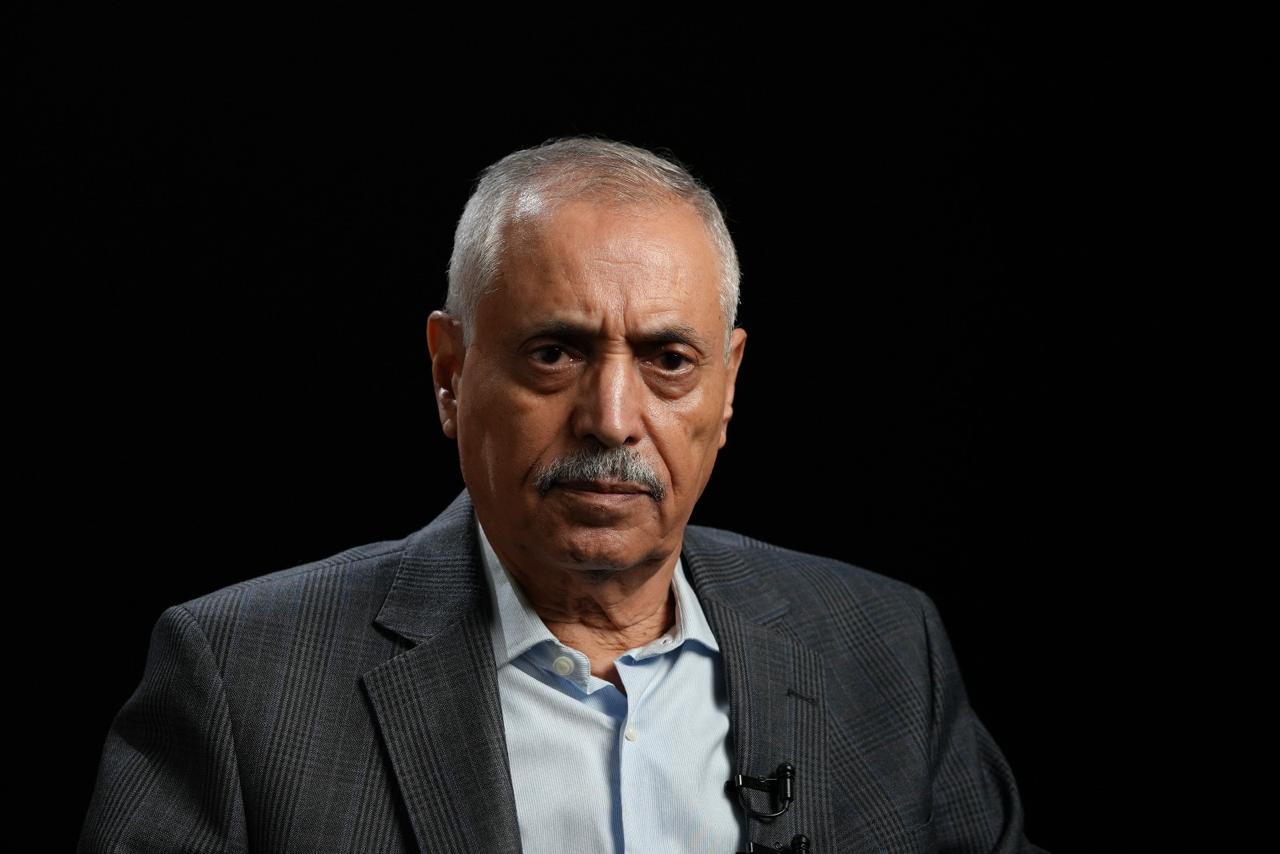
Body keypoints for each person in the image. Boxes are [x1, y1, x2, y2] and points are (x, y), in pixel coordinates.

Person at [79, 136, 1045, 853]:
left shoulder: (888, 651)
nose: (612, 419)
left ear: (729, 388)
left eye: (669, 361)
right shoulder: (242, 683)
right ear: (450, 374)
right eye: (554, 353)